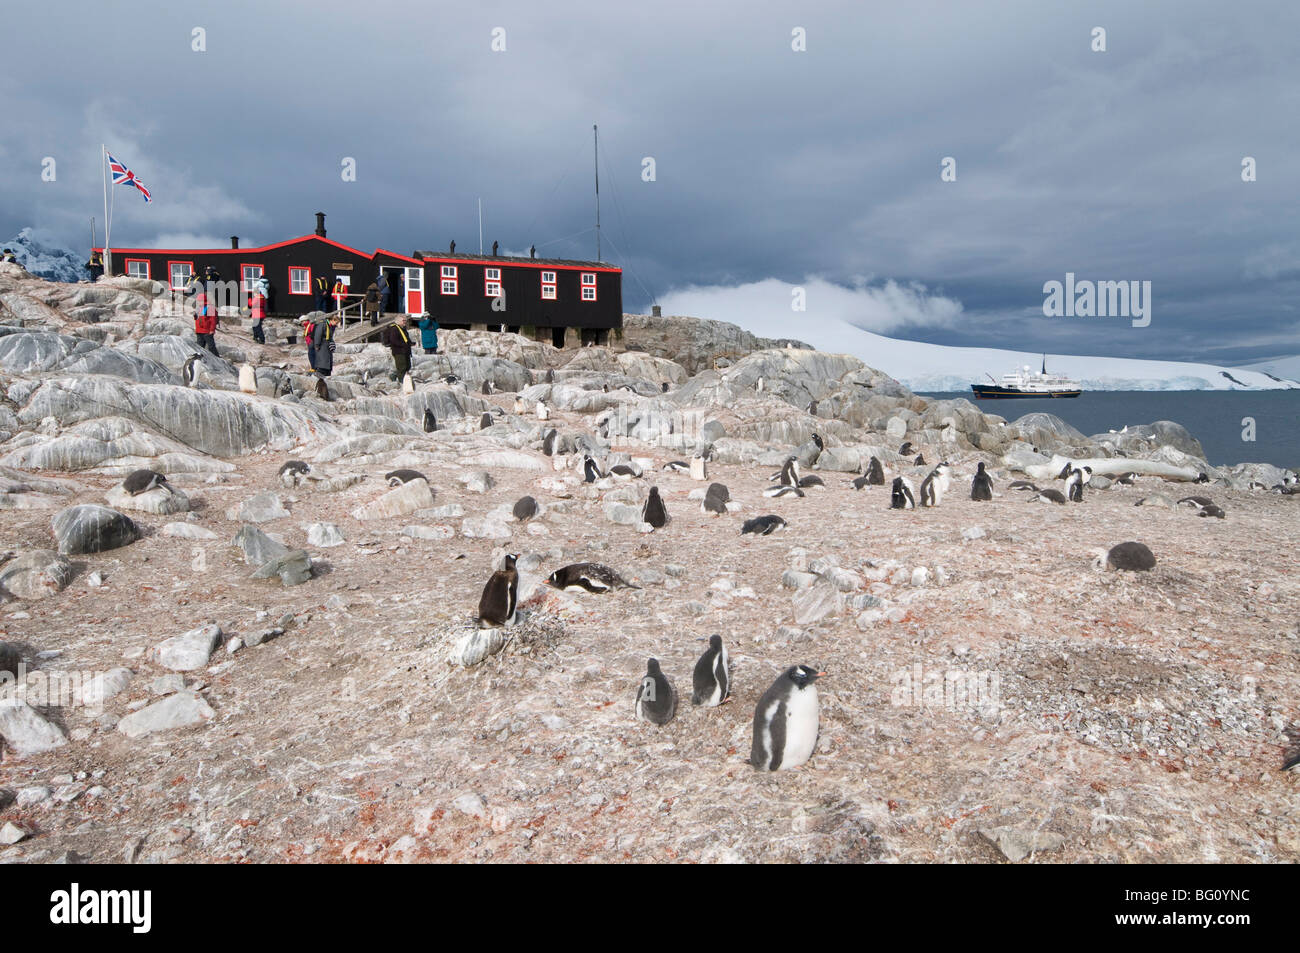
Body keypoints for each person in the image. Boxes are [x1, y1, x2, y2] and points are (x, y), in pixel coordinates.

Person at [383, 314, 414, 382]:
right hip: (399, 351)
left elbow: (406, 338)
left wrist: (410, 343)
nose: (405, 322)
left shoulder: (403, 329)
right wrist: (403, 345)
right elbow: (394, 340)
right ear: (399, 321)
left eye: (405, 320)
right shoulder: (395, 329)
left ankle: (394, 376)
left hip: (405, 351)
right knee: (402, 367)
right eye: (403, 321)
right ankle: (401, 381)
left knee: (407, 366)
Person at [194, 284, 219, 357]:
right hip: (199, 331)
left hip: (207, 331)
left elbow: (213, 320)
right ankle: (199, 360)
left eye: (200, 301)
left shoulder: (209, 307)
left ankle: (217, 359)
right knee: (199, 347)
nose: (198, 302)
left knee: (211, 347)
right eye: (198, 301)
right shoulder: (198, 308)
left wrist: (212, 330)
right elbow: (197, 319)